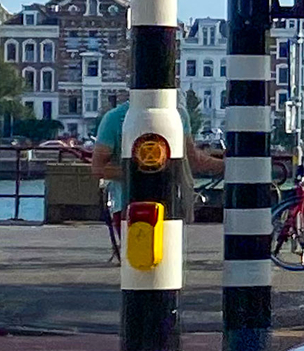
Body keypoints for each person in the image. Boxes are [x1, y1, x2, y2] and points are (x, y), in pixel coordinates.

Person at [91, 100, 225, 261]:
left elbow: (98, 168)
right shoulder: (176, 114)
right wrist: (232, 165)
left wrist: (135, 171)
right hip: (164, 201)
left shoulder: (115, 117)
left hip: (128, 204)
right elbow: (194, 160)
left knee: (139, 263)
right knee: (163, 260)